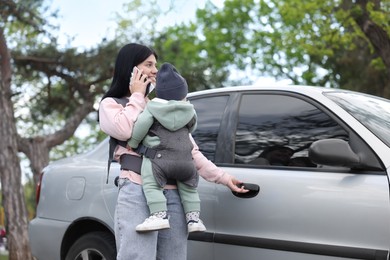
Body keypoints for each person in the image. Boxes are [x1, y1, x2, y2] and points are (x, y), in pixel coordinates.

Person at [98, 43, 248, 260]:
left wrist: (224, 178)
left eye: (155, 65)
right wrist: (138, 96)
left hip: (174, 194)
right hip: (137, 191)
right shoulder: (111, 104)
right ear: (131, 69)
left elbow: (189, 150)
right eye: (148, 64)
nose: (154, 70)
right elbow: (124, 130)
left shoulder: (161, 106)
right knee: (138, 256)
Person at [128, 62, 205, 233]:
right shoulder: (189, 110)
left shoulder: (153, 108)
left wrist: (133, 143)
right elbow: (192, 127)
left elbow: (141, 126)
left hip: (159, 160)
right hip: (186, 161)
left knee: (152, 185)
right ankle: (193, 219)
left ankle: (159, 215)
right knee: (189, 188)